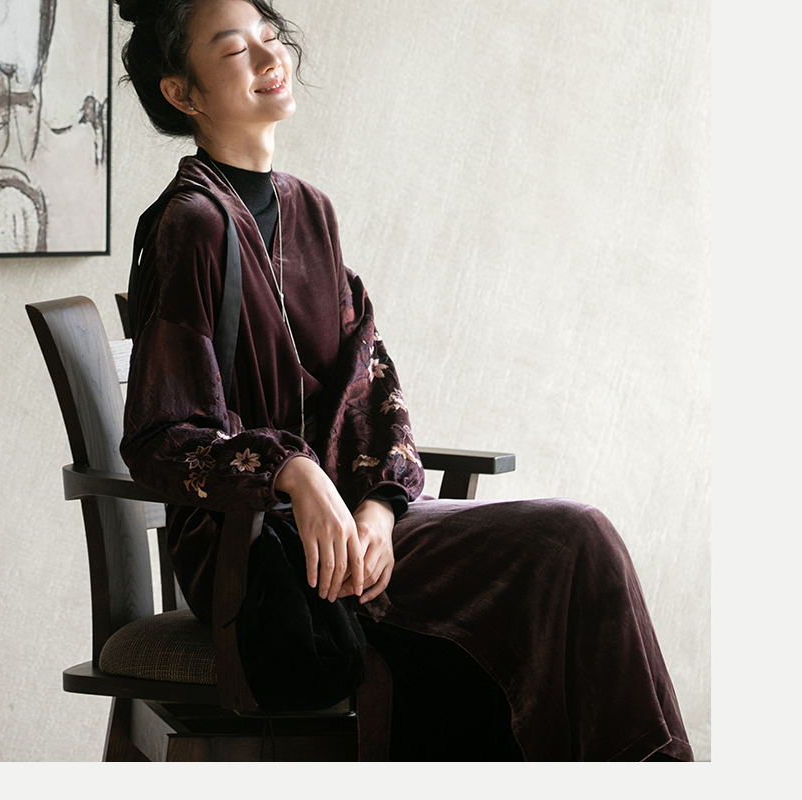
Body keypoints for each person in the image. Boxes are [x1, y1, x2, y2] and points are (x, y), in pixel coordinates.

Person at [115, 0, 692, 761]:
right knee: (570, 540)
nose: (269, 58)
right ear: (182, 93)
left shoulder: (310, 213)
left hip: (355, 534)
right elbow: (160, 437)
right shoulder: (188, 226)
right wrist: (292, 472)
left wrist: (382, 506)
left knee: (570, 546)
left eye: (269, 37)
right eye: (234, 51)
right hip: (254, 550)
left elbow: (372, 383)